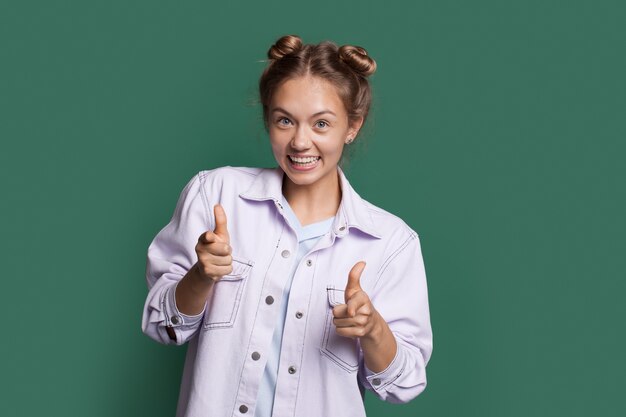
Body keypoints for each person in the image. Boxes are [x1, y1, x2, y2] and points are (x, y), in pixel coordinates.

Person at [142, 34, 433, 417]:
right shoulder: (216, 194)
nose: (300, 142)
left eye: (321, 124)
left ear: (352, 126)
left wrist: (373, 328)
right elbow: (163, 325)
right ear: (268, 119)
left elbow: (404, 384)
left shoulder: (390, 242)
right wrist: (201, 275)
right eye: (285, 121)